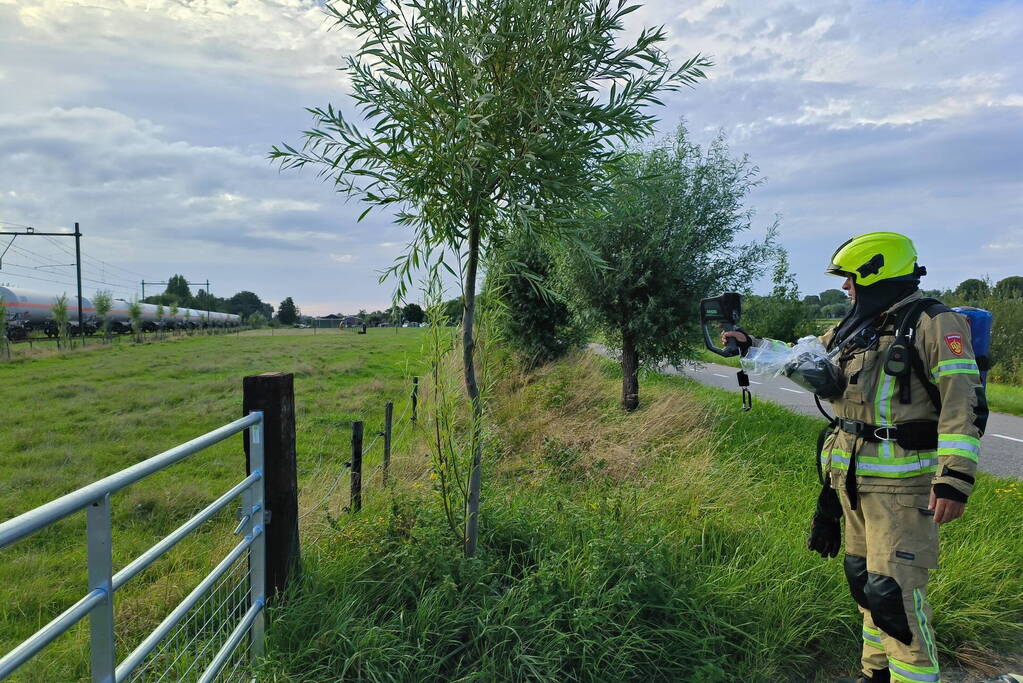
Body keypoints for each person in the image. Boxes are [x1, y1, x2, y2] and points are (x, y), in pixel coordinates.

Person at [725, 232, 987, 683]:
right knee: (865, 585)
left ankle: (914, 677)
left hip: (902, 489)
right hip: (851, 479)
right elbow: (804, 359)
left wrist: (954, 479)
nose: (846, 288)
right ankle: (876, 673)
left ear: (876, 274)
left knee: (894, 597)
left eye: (850, 279)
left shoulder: (934, 323)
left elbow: (965, 404)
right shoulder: (859, 327)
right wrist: (751, 345)